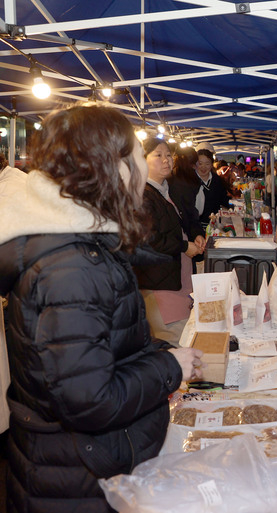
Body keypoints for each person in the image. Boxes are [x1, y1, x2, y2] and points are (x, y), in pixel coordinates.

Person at [0, 105, 203, 512]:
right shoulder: (69, 266)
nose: (143, 171)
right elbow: (90, 398)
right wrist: (170, 368)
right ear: (109, 169)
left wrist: (159, 353)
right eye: (134, 158)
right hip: (79, 479)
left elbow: (97, 352)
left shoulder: (79, 246)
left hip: (83, 466)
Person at [133, 138, 203, 344]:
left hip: (176, 280)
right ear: (142, 160)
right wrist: (184, 246)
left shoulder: (166, 190)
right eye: (158, 155)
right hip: (159, 286)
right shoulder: (142, 195)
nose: (166, 160)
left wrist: (195, 234)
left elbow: (188, 220)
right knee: (176, 343)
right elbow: (147, 239)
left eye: (168, 155)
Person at [169, 146, 206, 264]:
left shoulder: (168, 178)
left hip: (171, 236)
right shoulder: (194, 180)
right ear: (194, 163)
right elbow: (199, 209)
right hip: (186, 232)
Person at [194, 142, 231, 227]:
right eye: (200, 163)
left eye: (207, 164)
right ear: (195, 164)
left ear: (212, 165)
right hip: (195, 227)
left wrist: (235, 204)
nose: (203, 167)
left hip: (214, 225)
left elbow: (224, 199)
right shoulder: (190, 181)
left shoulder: (217, 180)